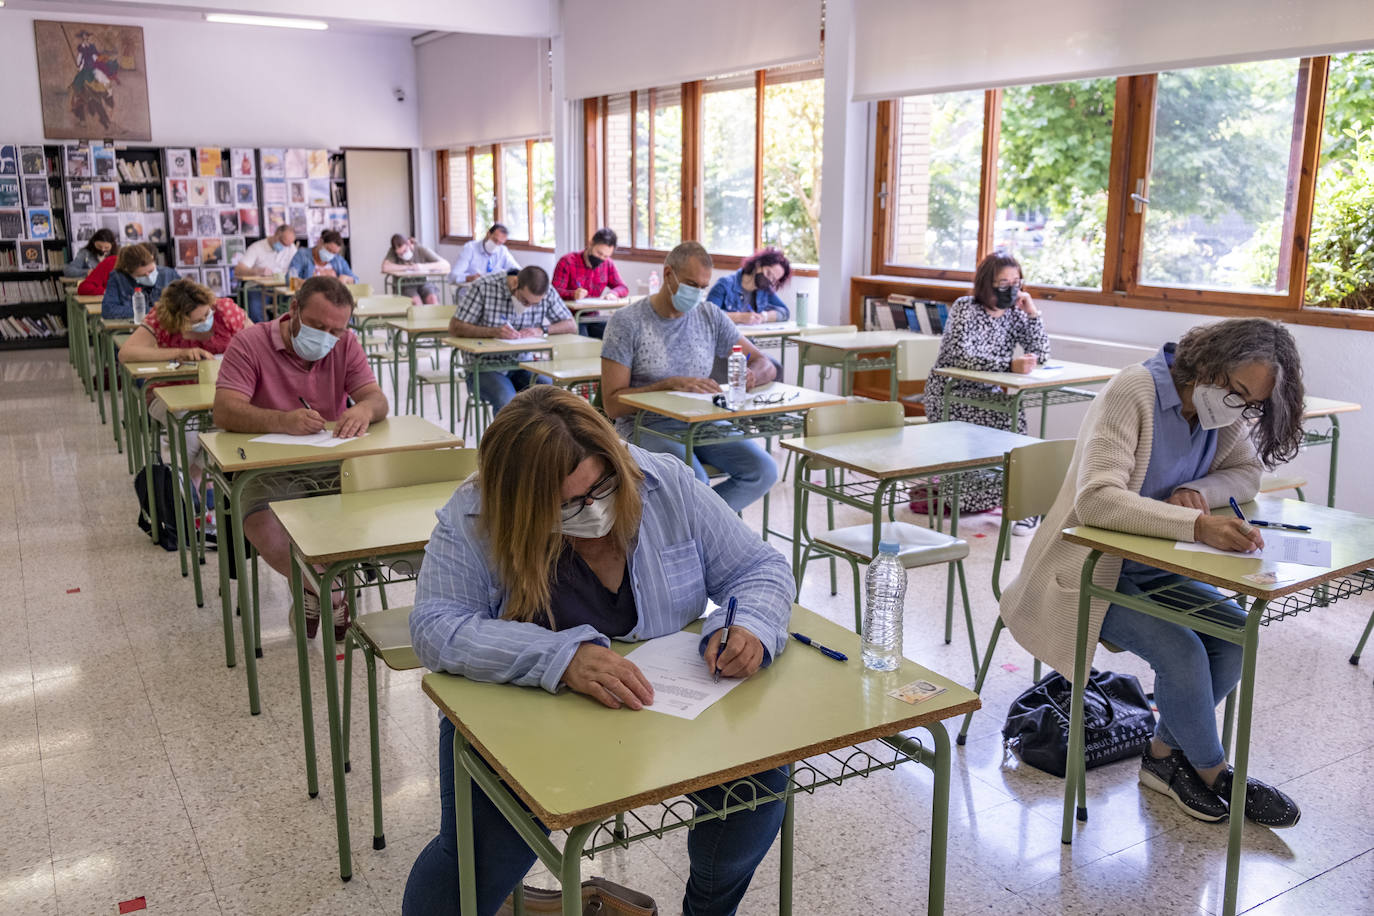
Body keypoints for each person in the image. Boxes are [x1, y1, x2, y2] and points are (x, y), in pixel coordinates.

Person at [403, 386, 794, 916]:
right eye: (565, 504)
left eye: (600, 487)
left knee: (757, 791)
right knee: (479, 860)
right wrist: (558, 658)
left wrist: (747, 624)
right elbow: (434, 626)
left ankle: (707, 909)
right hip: (521, 722)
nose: (591, 510)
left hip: (665, 707)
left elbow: (758, 568)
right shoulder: (476, 514)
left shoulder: (663, 480)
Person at [1001, 318, 1305, 828]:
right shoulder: (1133, 391)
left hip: (1157, 563)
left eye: (1252, 403)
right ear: (1210, 365)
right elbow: (1096, 501)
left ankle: (1162, 759)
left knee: (1234, 635)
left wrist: (1199, 494)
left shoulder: (1218, 408)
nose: (1241, 408)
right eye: (1238, 392)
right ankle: (1216, 775)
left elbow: (1247, 472)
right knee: (1182, 650)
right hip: (1087, 568)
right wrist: (1197, 525)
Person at [212, 276, 388, 639]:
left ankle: (318, 587)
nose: (327, 337)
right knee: (264, 526)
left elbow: (376, 398)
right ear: (292, 311)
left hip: (331, 460)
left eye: (336, 330)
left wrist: (364, 410)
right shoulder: (250, 342)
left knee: (366, 518)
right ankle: (327, 591)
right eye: (317, 326)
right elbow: (225, 411)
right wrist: (281, 421)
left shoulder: (345, 344)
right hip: (266, 464)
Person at [601, 242, 779, 512]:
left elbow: (764, 362)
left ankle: (703, 528)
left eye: (703, 287)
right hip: (646, 426)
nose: (697, 293)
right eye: (691, 284)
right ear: (668, 274)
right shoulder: (628, 322)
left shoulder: (709, 315)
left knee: (763, 470)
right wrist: (668, 384)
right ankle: (703, 530)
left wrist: (751, 375)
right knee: (695, 483)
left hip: (701, 422)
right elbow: (612, 404)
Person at [918, 252, 1049, 520]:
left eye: (1016, 282)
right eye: (1004, 282)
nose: (1011, 288)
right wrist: (1009, 366)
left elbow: (1042, 354)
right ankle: (974, 500)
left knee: (1016, 422)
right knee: (1003, 422)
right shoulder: (965, 307)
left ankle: (1021, 505)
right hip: (950, 393)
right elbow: (961, 356)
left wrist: (1033, 313)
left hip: (987, 394)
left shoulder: (1015, 313)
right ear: (986, 283)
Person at [119, 278, 252, 477]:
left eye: (207, 314)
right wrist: (178, 352)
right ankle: (184, 488)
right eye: (196, 321)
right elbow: (126, 353)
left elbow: (257, 345)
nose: (205, 321)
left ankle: (192, 484)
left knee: (225, 430)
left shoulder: (225, 312)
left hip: (217, 392)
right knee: (188, 431)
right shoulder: (161, 320)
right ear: (177, 320)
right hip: (169, 394)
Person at [448, 266, 575, 412]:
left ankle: (538, 435)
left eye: (535, 304)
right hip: (483, 366)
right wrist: (492, 332)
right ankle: (508, 435)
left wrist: (542, 330)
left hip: (523, 363)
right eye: (525, 301)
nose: (528, 307)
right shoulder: (483, 287)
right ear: (515, 283)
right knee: (507, 402)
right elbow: (455, 327)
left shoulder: (546, 292)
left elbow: (571, 325)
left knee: (554, 396)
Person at [707, 247, 791, 325]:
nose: (769, 280)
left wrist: (764, 317)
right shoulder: (725, 284)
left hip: (749, 339)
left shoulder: (765, 291)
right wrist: (739, 317)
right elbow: (708, 315)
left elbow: (785, 312)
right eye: (768, 273)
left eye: (773, 280)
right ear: (759, 264)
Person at [235, 225, 299, 321]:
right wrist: (256, 271)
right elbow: (239, 270)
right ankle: (261, 333)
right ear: (276, 234)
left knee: (296, 304)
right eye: (283, 243)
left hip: (282, 287)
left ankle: (286, 332)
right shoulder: (257, 247)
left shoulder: (291, 248)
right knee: (256, 309)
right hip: (258, 288)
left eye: (288, 245)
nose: (285, 247)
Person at [101, 243, 181, 319]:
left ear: (153, 261)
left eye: (151, 271)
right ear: (128, 272)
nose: (149, 277)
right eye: (142, 275)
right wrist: (149, 311)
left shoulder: (170, 274)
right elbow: (108, 310)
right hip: (132, 329)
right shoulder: (117, 278)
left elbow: (188, 303)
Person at [380, 233, 451, 304]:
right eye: (400, 254)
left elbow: (445, 264)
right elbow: (385, 267)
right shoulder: (392, 251)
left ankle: (435, 314)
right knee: (416, 301)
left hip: (423, 282)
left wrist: (422, 267)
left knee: (432, 298)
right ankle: (419, 315)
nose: (403, 255)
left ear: (408, 243)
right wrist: (408, 267)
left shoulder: (420, 249)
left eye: (405, 251)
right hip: (405, 285)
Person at [449, 223, 519, 284]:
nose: (496, 245)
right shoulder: (470, 248)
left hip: (491, 294)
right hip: (470, 292)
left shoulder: (502, 251)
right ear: (488, 234)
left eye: (500, 243)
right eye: (495, 240)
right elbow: (453, 276)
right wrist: (468, 278)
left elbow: (517, 270)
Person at [287, 229, 358, 285]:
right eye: (328, 250)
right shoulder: (302, 255)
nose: (330, 255)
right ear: (320, 242)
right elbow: (290, 279)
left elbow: (355, 279)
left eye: (334, 253)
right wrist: (306, 284)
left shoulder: (337, 260)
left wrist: (347, 279)